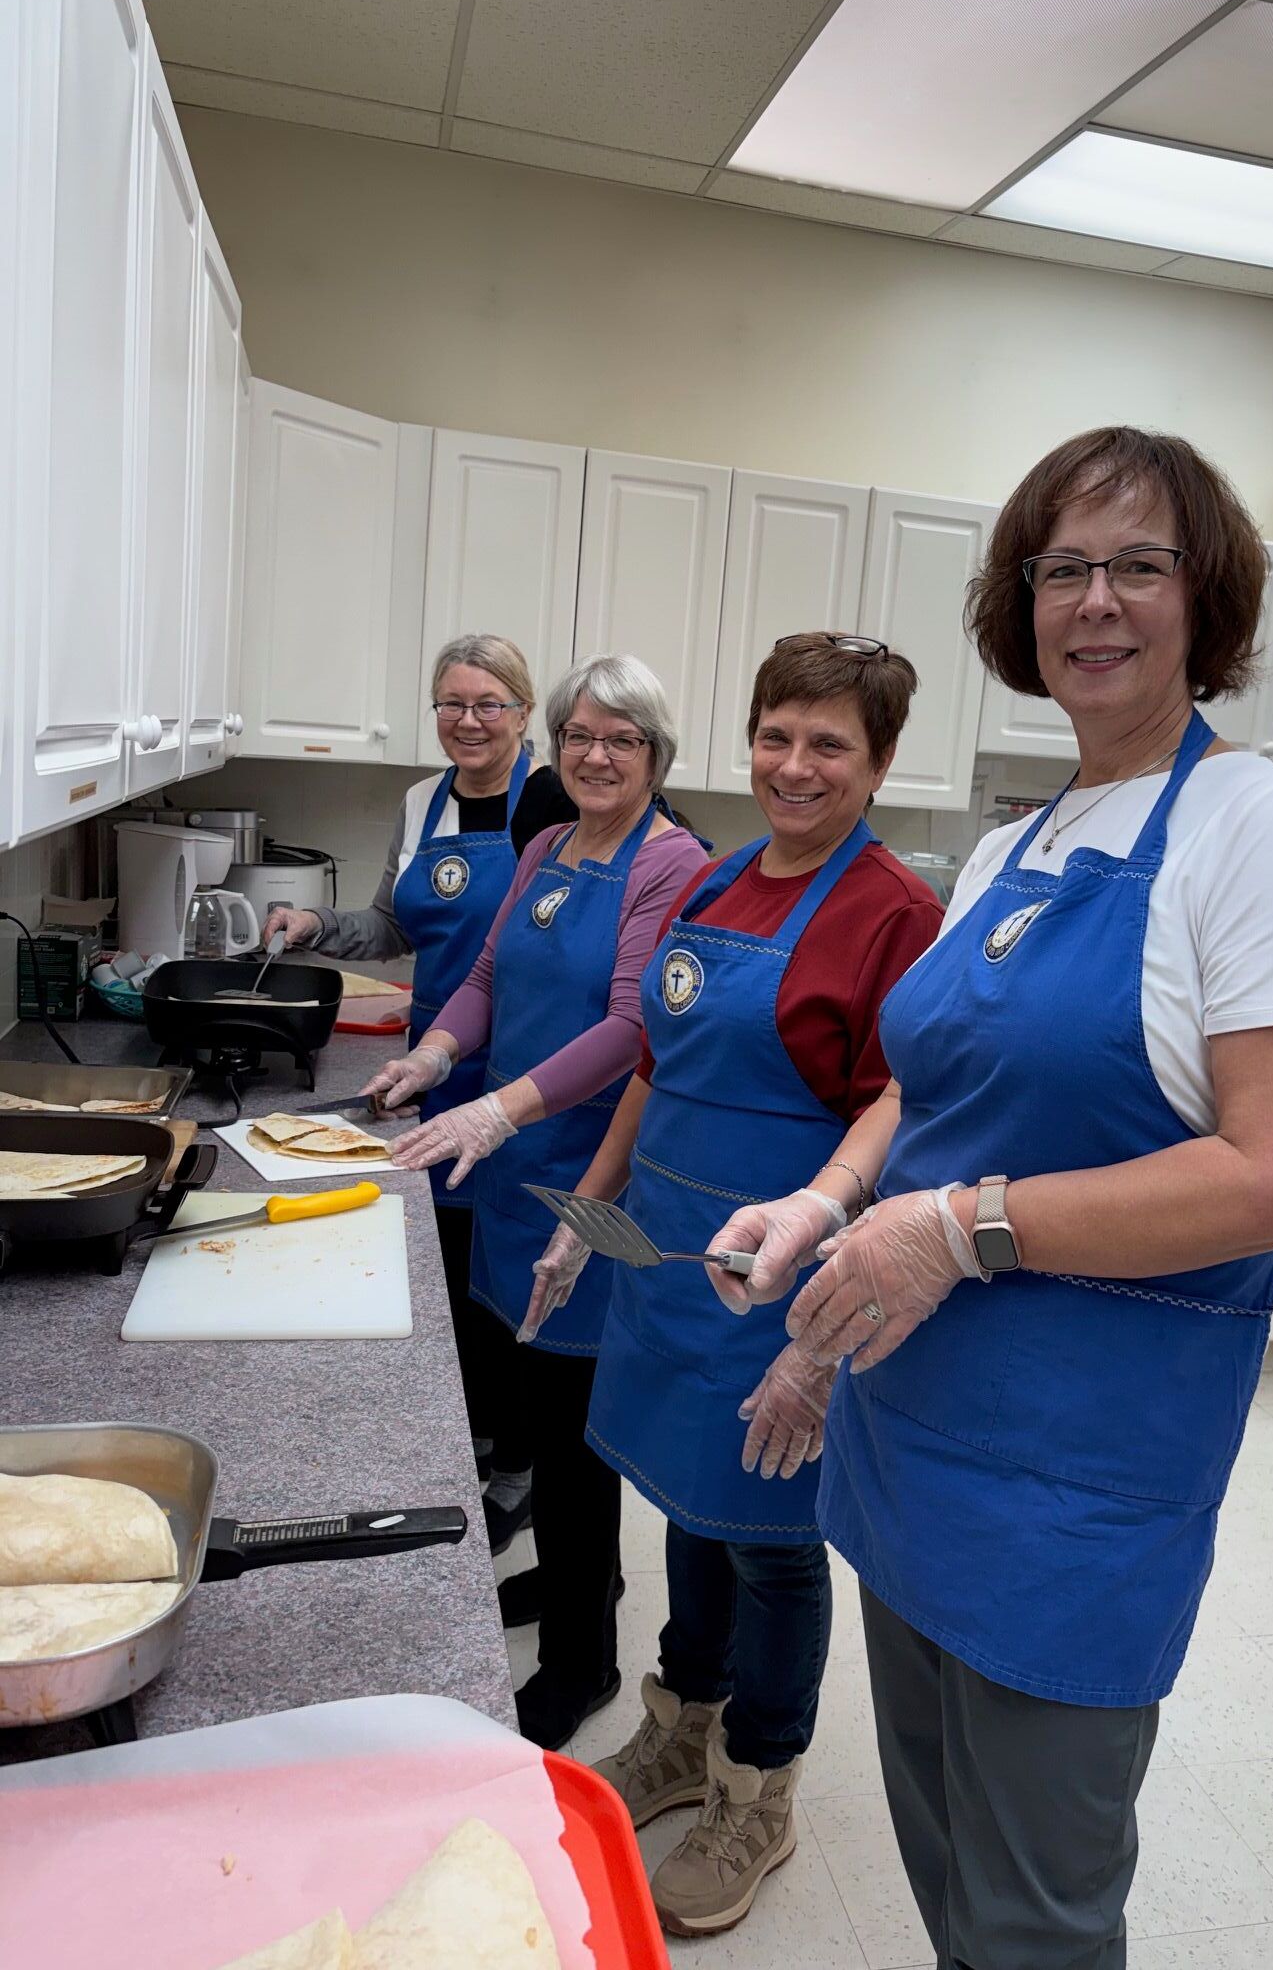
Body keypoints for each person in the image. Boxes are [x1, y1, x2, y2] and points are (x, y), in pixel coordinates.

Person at [708, 430, 1273, 1969]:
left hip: (1078, 1483)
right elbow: (926, 1087)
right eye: (1061, 567)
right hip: (910, 1438)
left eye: (1140, 564)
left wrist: (958, 1229)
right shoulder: (1017, 837)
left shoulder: (1261, 830)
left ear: (1206, 598)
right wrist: (832, 1200)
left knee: (1038, 1921)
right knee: (948, 1869)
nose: (1096, 600)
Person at [524, 633, 943, 1937]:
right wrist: (587, 1219)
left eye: (830, 744)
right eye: (778, 735)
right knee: (685, 1515)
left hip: (783, 1288)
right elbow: (654, 1060)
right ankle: (678, 1728)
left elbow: (905, 1105)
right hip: (668, 1272)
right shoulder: (711, 881)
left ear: (877, 763)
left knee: (768, 1546)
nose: (796, 766)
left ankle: (759, 1787)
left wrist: (824, 1316)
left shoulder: (894, 913)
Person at [380, 653, 708, 1750]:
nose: (595, 754)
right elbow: (482, 982)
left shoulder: (672, 864)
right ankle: (584, 1586)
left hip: (587, 1178)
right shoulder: (546, 846)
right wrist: (435, 1058)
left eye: (620, 738)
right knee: (532, 1402)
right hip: (510, 1171)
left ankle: (584, 1664)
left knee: (574, 1436)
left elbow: (632, 1028)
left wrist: (497, 1111)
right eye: (579, 735)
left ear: (656, 755)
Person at [261, 635, 575, 1546]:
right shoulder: (418, 802)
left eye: (488, 703)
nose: (468, 721)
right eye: (450, 703)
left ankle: (522, 1467)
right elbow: (395, 925)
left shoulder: (555, 801)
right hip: (432, 1064)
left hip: (522, 1079)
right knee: (449, 1267)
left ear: (523, 713)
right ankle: (473, 1441)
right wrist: (317, 923)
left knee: (511, 1273)